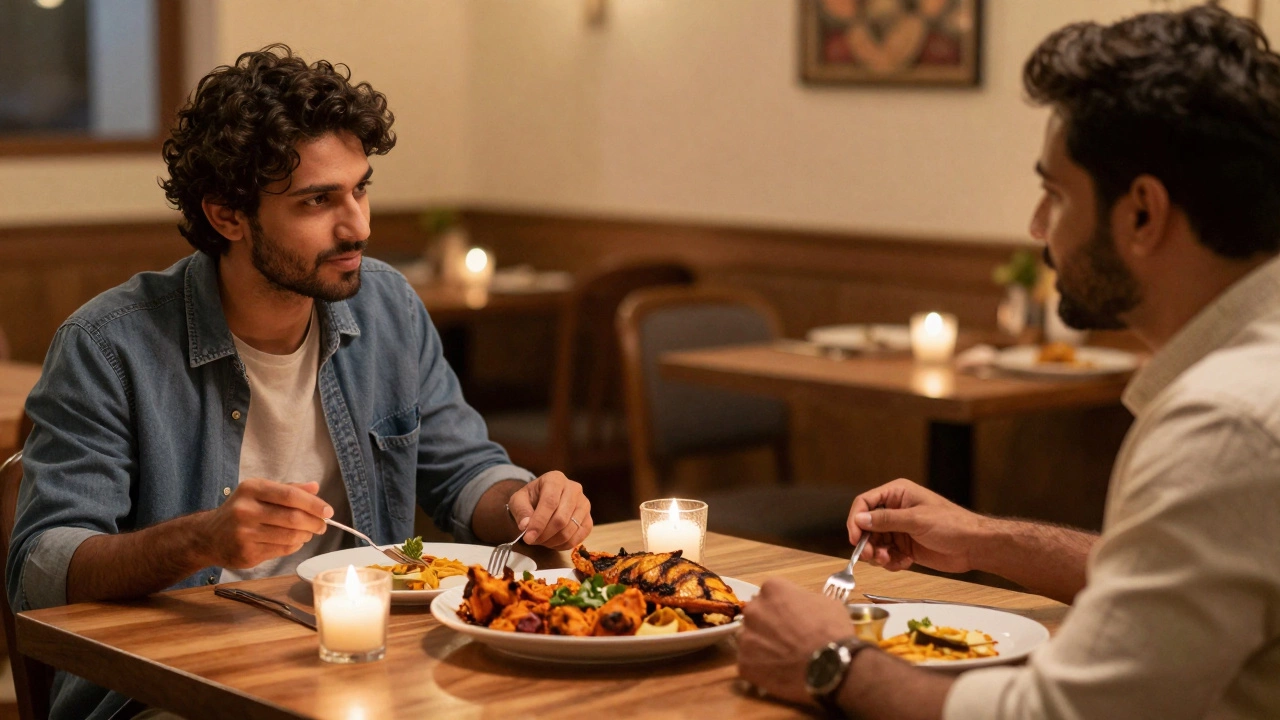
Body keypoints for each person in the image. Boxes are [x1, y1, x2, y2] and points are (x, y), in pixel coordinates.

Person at [7, 45, 593, 720]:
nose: (359, 226)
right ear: (227, 215)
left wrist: (526, 502)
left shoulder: (389, 307)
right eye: (319, 200)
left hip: (365, 661)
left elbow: (464, 472)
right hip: (165, 689)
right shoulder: (108, 345)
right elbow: (42, 569)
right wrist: (202, 539)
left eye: (361, 189)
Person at [738, 7, 1280, 719]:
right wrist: (983, 540)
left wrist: (829, 660)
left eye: (1055, 194)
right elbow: (1180, 580)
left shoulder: (1227, 421)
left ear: (1143, 214)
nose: (1037, 227)